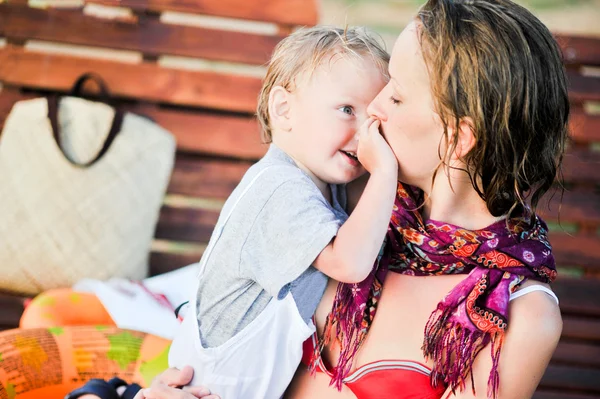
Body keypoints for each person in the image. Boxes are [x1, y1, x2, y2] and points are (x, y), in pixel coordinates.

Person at [138, 0, 568, 398]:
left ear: (459, 139)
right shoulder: (345, 215)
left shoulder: (514, 314)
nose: (373, 109)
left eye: (395, 95)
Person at [167, 26, 395, 399]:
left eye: (373, 121)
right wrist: (385, 171)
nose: (364, 135)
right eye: (346, 110)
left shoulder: (326, 183)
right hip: (208, 384)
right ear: (284, 109)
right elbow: (350, 264)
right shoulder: (279, 188)